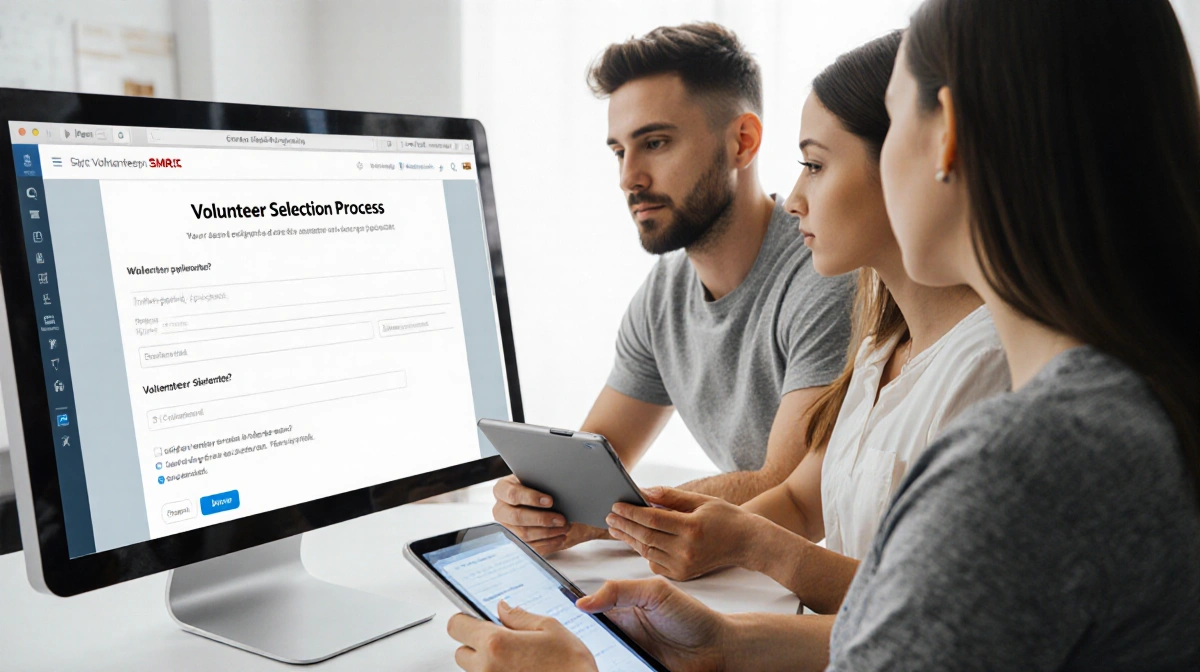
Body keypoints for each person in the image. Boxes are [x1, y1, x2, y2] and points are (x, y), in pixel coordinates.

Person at [448, 1, 1200, 669]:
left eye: (817, 160)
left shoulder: (1019, 463)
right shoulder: (1121, 397)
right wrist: (725, 646)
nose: (797, 193)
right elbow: (919, 618)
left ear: (948, 140)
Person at [605, 31, 1011, 615]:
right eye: (619, 151)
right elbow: (800, 499)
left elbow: (938, 614)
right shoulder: (880, 344)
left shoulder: (989, 368)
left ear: (919, 161)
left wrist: (750, 548)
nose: (794, 197)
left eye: (815, 165)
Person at [492, 23, 854, 555]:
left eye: (655, 143)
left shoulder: (825, 276)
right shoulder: (663, 295)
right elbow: (591, 466)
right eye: (619, 151)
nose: (629, 177)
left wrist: (597, 515)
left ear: (742, 142)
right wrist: (537, 506)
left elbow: (786, 488)